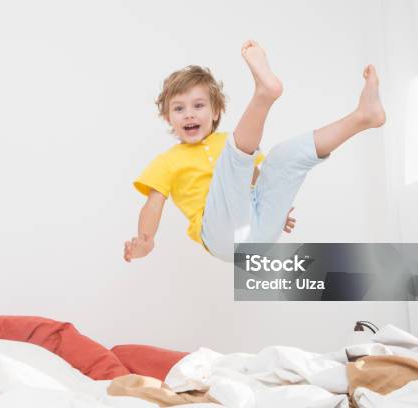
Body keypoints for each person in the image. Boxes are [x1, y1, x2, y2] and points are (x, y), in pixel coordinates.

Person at [124, 40, 386, 263]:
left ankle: (362, 117)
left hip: (260, 233)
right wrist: (146, 240)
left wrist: (275, 207)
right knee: (235, 157)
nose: (189, 114)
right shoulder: (168, 161)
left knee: (282, 157)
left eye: (198, 105)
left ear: (215, 112)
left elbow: (257, 179)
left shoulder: (232, 141)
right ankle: (264, 94)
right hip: (223, 237)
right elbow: (153, 204)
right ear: (168, 118)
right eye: (179, 109)